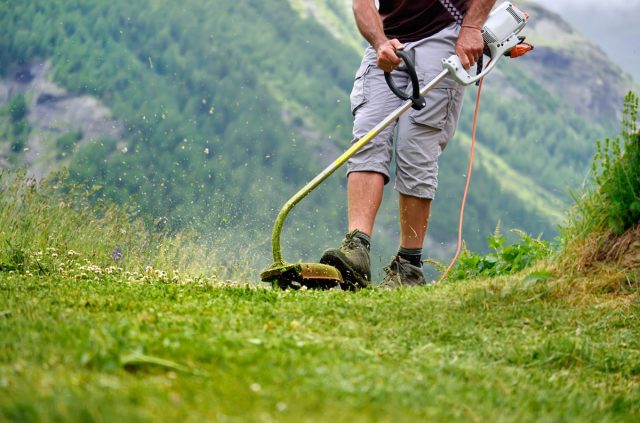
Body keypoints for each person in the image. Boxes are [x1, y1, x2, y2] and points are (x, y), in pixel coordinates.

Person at [320, 0, 496, 289]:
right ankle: (357, 250)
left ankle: (409, 268)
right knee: (368, 135)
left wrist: (472, 27)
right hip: (391, 38)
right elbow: (362, 4)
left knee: (416, 146)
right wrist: (379, 43)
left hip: (445, 36)